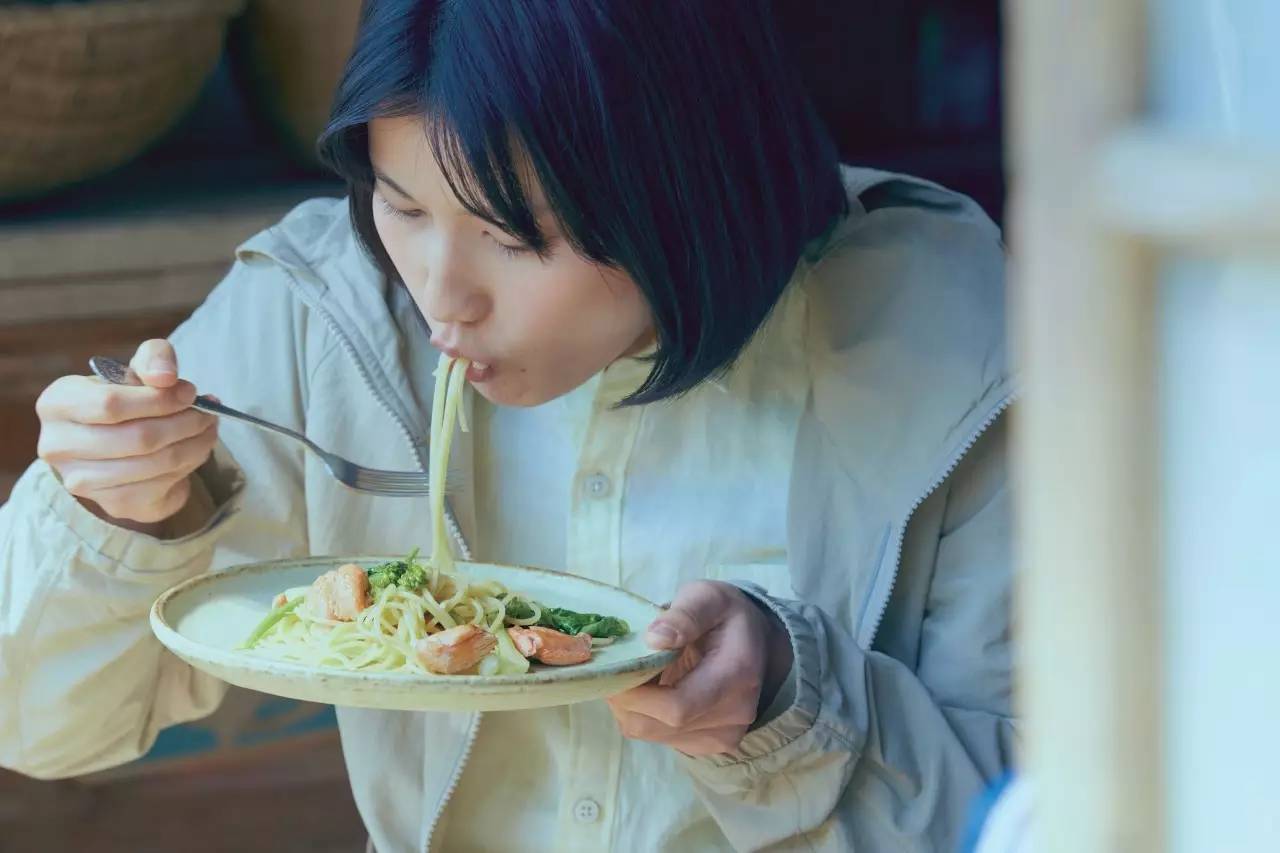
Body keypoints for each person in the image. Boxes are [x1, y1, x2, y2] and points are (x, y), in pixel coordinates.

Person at [0, 1, 1015, 850]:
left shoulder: (949, 344)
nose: (442, 298)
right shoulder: (329, 307)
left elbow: (1049, 808)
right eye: (401, 206)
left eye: (511, 235)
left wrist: (790, 702)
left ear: (682, 180)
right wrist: (113, 517)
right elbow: (37, 722)